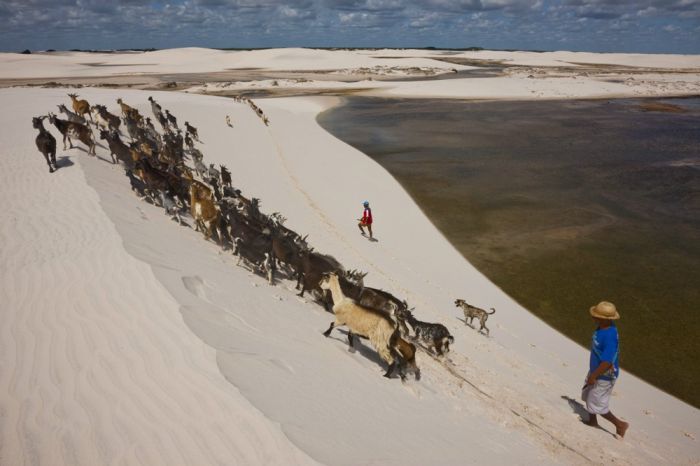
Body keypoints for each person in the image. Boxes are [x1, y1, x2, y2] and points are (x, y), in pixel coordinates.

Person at [582, 301, 629, 438]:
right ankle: (592, 421)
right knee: (588, 393)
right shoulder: (604, 327)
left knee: (598, 403)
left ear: (604, 319)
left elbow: (608, 362)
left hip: (604, 375)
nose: (593, 317)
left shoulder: (609, 337)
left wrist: (594, 375)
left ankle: (620, 424)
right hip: (596, 370)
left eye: (596, 315)